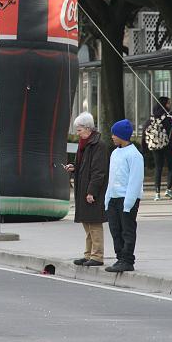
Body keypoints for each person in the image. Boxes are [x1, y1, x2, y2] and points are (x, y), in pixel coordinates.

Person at [65, 112, 108, 267]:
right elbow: (84, 165)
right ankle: (89, 254)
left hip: (91, 191)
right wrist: (74, 167)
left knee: (94, 224)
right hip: (83, 189)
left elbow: (98, 171)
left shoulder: (98, 145)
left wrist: (91, 191)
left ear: (88, 129)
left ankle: (97, 256)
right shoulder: (84, 145)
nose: (78, 133)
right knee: (87, 224)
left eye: (79, 130)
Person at [105, 119, 144, 273]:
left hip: (127, 199)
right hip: (113, 198)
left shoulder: (134, 155)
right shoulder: (115, 153)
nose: (112, 136)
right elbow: (112, 178)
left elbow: (135, 180)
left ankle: (127, 260)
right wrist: (107, 199)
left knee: (127, 230)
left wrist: (128, 203)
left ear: (122, 135)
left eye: (114, 134)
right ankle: (120, 257)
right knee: (115, 229)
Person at [142, 96, 172, 200]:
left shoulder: (152, 118)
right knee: (171, 167)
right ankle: (169, 190)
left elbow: (144, 132)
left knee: (158, 167)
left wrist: (144, 148)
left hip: (155, 146)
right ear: (165, 104)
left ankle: (157, 193)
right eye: (168, 103)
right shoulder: (169, 117)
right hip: (168, 145)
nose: (170, 105)